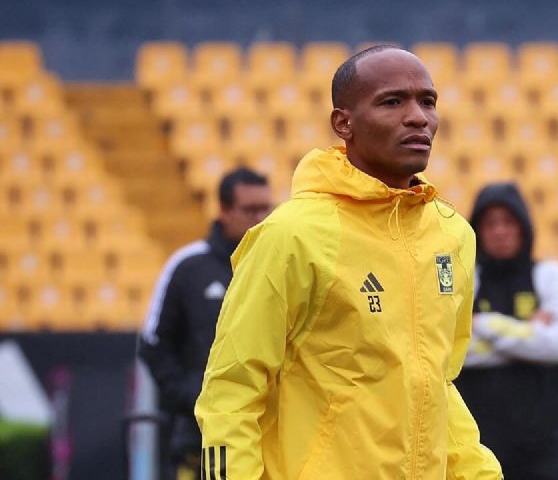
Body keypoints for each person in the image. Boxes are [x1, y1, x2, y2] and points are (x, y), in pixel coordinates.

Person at [194, 45, 502, 479]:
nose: (417, 117)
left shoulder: (453, 235)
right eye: (392, 101)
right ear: (344, 123)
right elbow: (231, 388)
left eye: (427, 101)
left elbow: (435, 385)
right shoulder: (292, 235)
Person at [138, 167, 272, 480]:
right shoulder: (188, 266)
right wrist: (193, 397)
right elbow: (154, 345)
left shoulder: (282, 263)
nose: (260, 218)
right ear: (224, 211)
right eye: (250, 209)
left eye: (265, 208)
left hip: (270, 438)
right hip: (199, 444)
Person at [457, 182, 558, 480]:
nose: (500, 231)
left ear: (524, 228)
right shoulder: (463, 281)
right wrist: (528, 333)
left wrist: (483, 324)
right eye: (489, 223)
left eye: (508, 221)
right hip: (475, 458)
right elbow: (452, 352)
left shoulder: (552, 278)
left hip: (546, 459)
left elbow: (556, 347)